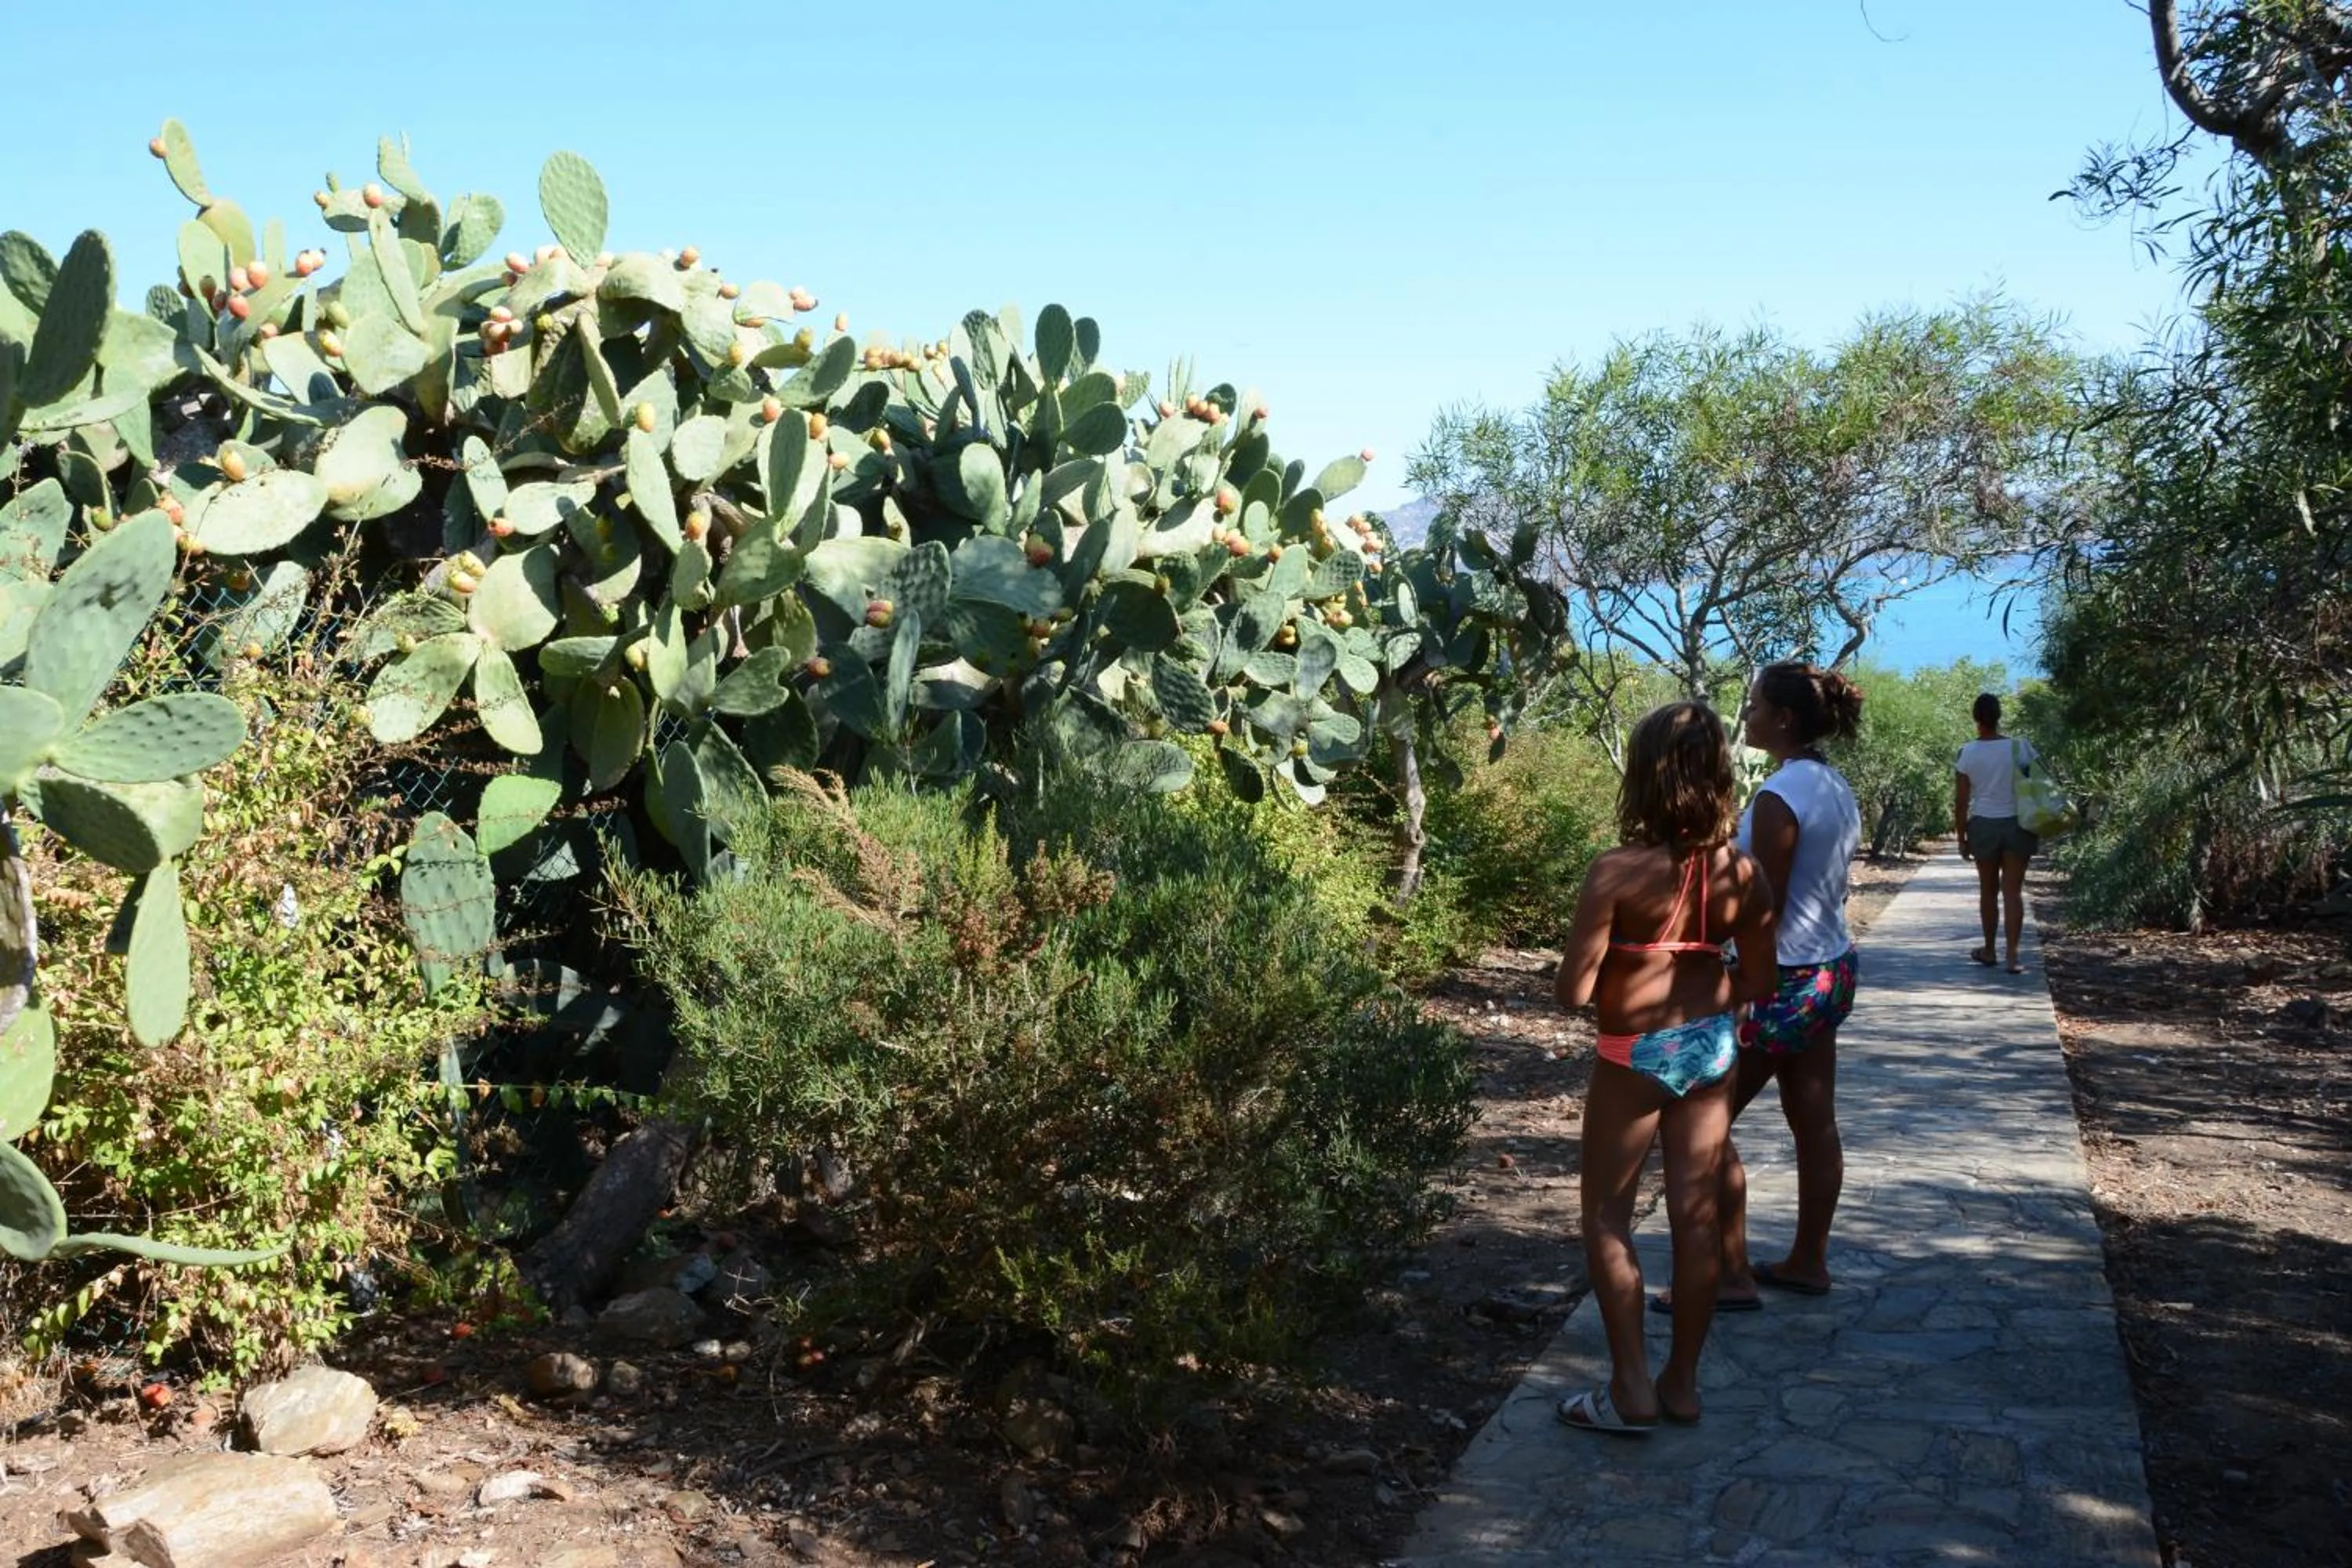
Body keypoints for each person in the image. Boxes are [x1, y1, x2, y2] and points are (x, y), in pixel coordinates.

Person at [1553, 701, 1779, 1434]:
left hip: (1633, 1054)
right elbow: (1762, 984)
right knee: (1696, 1215)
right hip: (1712, 1049)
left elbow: (1574, 992)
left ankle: (1629, 1390)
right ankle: (1681, 1384)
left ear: (1644, 778)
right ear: (1719, 774)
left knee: (1608, 1217)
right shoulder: (1745, 873)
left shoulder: (1617, 870)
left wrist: (1627, 959)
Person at [1657, 660, 1864, 1310]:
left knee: (1701, 1120)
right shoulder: (1831, 785)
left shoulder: (1781, 796)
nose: (1744, 716)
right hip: (1829, 967)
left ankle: (1730, 1274)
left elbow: (1759, 905)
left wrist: (1738, 981)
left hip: (1782, 979)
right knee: (1813, 1121)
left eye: (1752, 706)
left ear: (1783, 718)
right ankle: (1808, 1260)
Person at [1955, 691, 2037, 974]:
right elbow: (2036, 784)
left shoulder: (1967, 753)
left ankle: (1989, 951)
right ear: (1999, 715)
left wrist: (1962, 838)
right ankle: (2013, 957)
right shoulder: (2020, 747)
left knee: (1988, 891)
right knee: (2012, 892)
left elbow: (1962, 802)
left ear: (1976, 717)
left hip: (1984, 825)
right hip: (2018, 824)